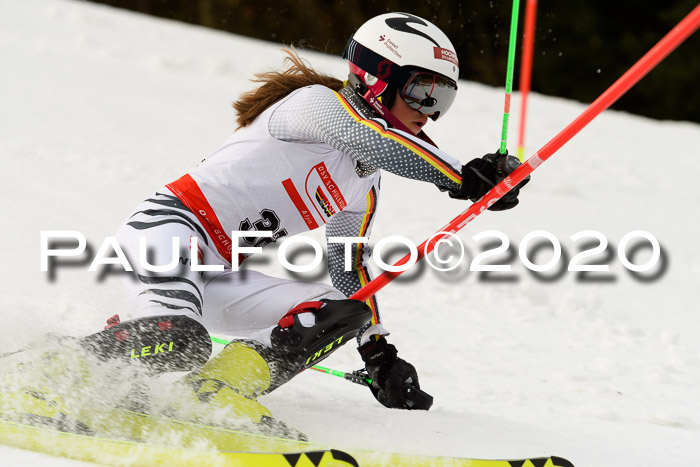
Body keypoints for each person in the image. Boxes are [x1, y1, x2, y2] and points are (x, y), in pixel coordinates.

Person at [6, 12, 527, 431]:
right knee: (181, 338)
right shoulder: (314, 106)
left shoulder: (364, 179)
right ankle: (39, 371)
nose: (431, 112)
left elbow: (348, 264)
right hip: (169, 233)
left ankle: (216, 391)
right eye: (422, 92)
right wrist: (461, 177)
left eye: (444, 99)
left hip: (219, 272)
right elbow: (372, 138)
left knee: (342, 312)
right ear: (375, 77)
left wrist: (378, 351)